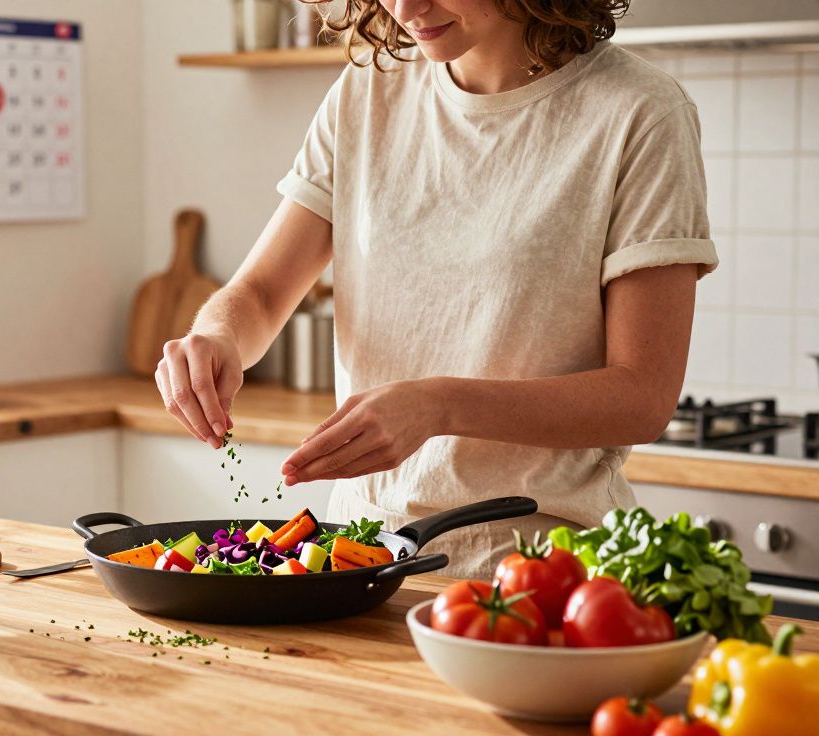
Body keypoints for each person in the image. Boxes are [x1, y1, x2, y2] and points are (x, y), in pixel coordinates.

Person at [154, 0, 717, 577]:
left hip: (538, 569)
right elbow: (264, 292)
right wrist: (216, 336)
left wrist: (438, 405)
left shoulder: (639, 112)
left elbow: (642, 398)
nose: (406, 8)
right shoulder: (368, 91)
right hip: (358, 555)